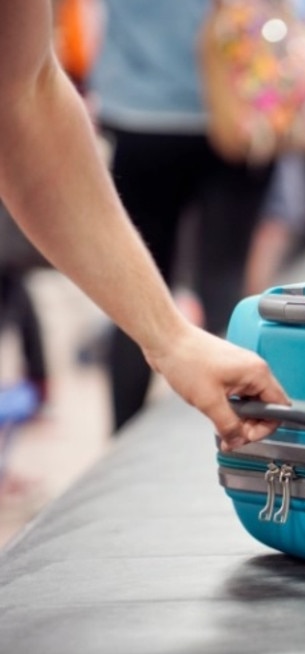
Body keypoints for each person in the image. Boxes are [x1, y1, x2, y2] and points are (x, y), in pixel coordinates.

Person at [0, 0, 289, 451]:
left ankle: (121, 439)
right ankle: (241, 440)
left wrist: (169, 337)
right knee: (223, 282)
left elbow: (26, 93)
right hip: (227, 111)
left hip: (139, 114)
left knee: (143, 299)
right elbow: (26, 94)